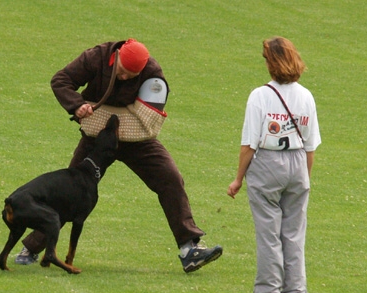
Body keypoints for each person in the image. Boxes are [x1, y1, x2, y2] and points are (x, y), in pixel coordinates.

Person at [15, 39, 223, 273]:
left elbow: (151, 113)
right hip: (97, 138)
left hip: (137, 140)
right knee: (70, 192)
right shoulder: (96, 57)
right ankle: (32, 247)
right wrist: (77, 105)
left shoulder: (152, 73)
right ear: (116, 59)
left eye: (131, 76)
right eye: (122, 72)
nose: (125, 78)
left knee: (171, 178)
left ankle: (189, 249)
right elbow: (61, 80)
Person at [227, 37, 321, 293]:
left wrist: (238, 179)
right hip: (298, 164)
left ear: (273, 63)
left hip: (268, 164)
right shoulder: (306, 96)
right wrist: (305, 178)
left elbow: (249, 145)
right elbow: (311, 145)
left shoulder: (260, 96)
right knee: (293, 234)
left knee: (269, 235)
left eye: (266, 58)